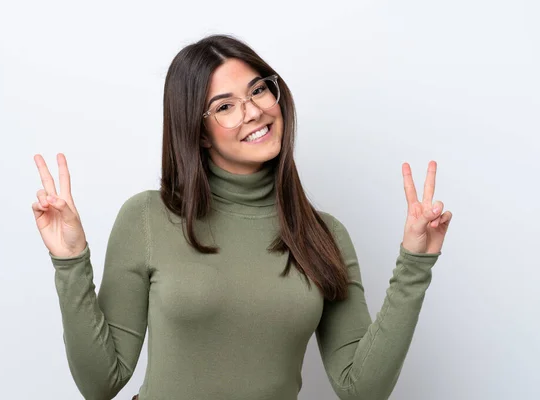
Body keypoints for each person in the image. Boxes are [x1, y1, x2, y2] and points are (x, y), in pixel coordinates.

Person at [32, 34, 453, 400]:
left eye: (258, 90)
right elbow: (100, 384)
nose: (252, 111)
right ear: (197, 131)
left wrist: (415, 264)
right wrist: (70, 262)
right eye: (225, 106)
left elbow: (362, 388)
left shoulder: (324, 235)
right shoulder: (147, 217)